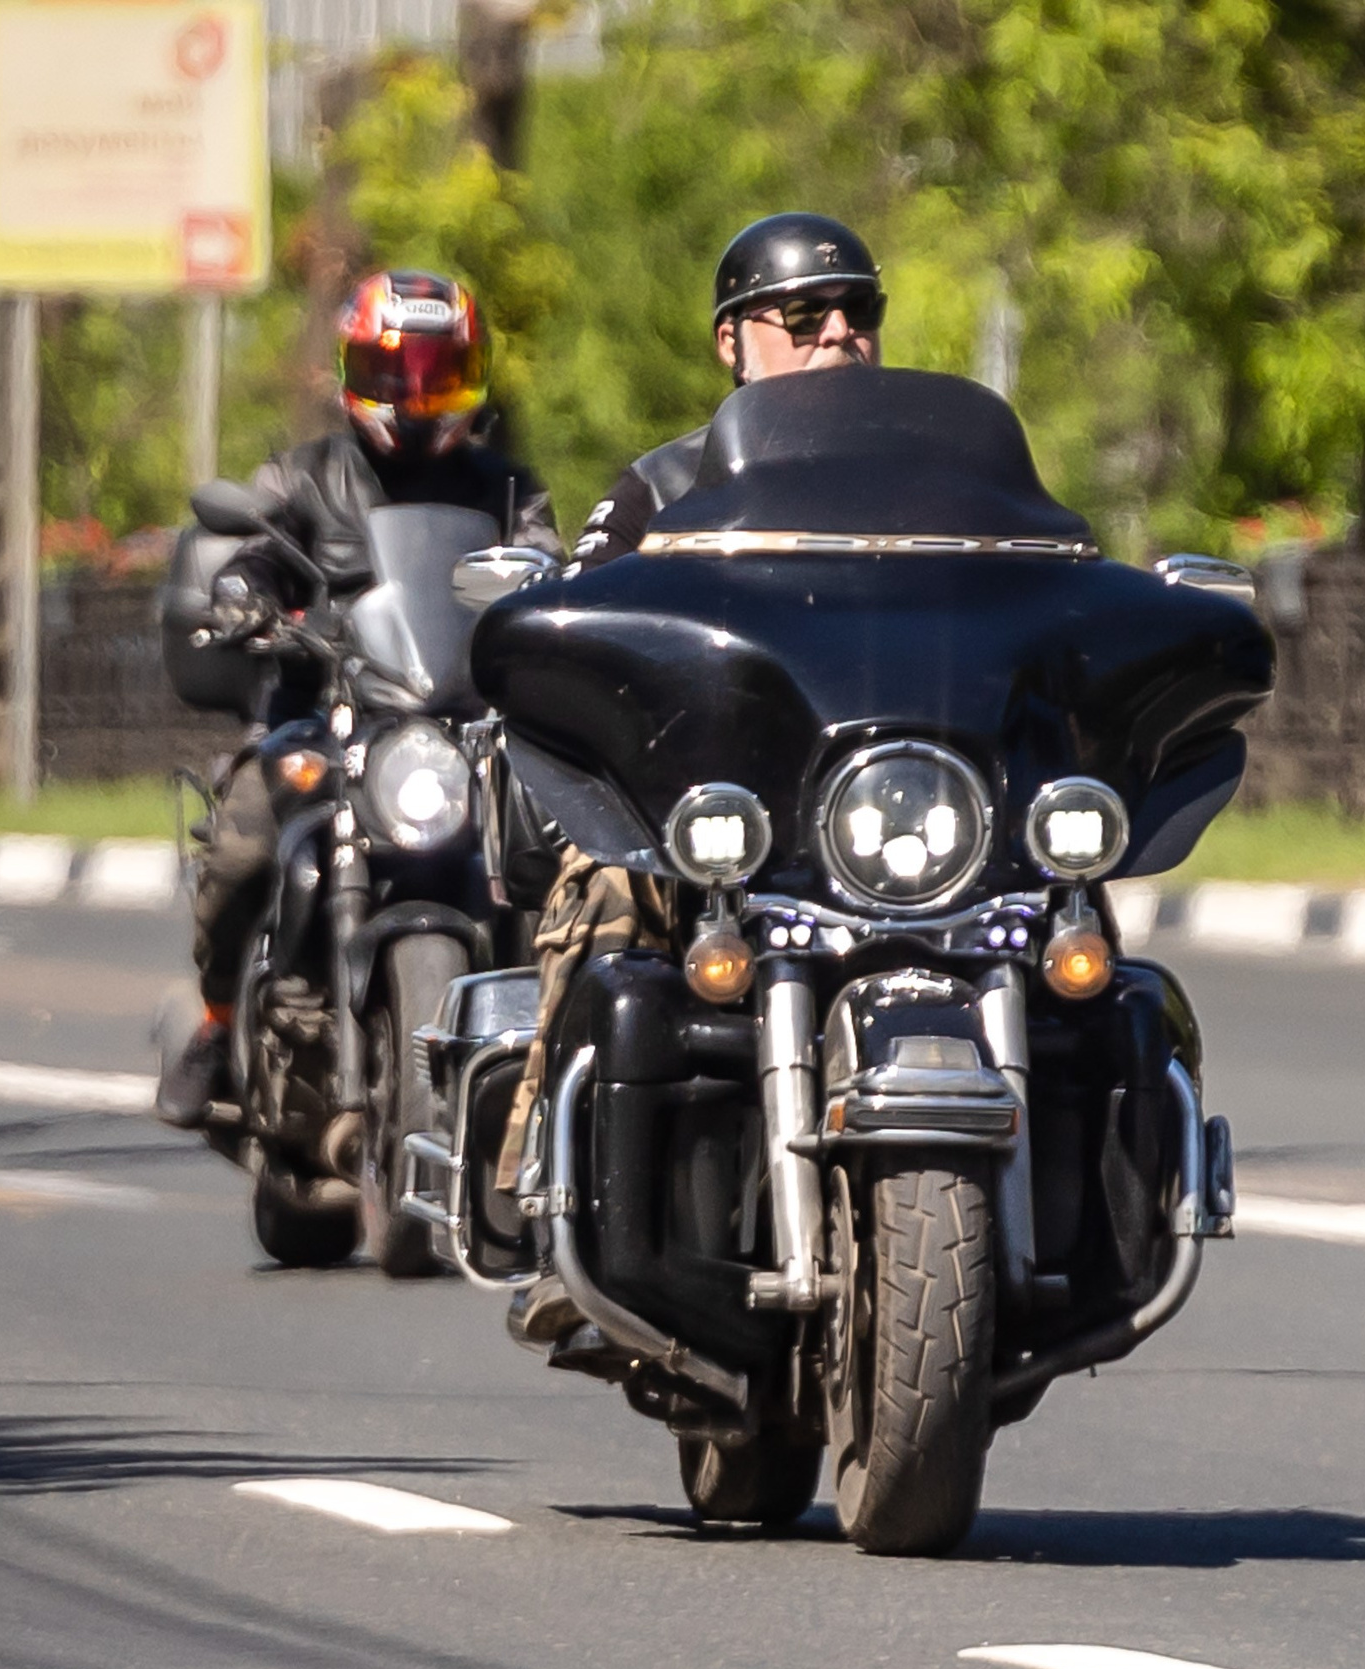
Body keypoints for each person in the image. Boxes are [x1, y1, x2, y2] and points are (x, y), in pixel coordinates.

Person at [505, 213, 885, 1357]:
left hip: (878, 819)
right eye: (803, 318)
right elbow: (573, 618)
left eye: (857, 315)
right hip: (720, 820)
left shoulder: (937, 488)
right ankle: (547, 1194)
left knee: (1074, 918)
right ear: (734, 342)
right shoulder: (667, 486)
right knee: (607, 892)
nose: (835, 339)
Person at [155, 269, 560, 1128]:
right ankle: (218, 1018)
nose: (416, 399)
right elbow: (250, 557)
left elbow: (545, 565)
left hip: (455, 727)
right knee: (245, 839)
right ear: (353, 375)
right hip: (324, 711)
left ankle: (555, 1051)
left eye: (438, 374)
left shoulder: (509, 489)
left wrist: (559, 604)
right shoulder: (303, 476)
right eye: (395, 376)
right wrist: (244, 599)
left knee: (554, 853)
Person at [568, 212, 886, 568]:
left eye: (860, 308)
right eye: (804, 313)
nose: (840, 331)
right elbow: (577, 609)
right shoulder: (660, 489)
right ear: (731, 343)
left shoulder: (938, 468)